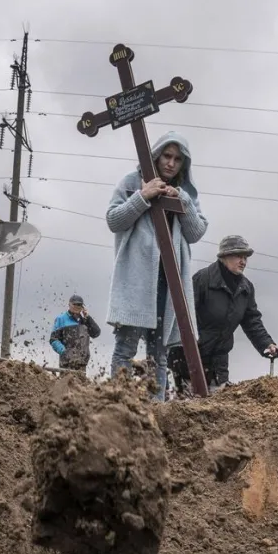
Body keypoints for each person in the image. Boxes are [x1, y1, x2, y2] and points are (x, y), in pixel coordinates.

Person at [105, 132, 207, 400]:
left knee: (159, 355)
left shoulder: (187, 194)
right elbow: (114, 220)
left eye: (177, 159)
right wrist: (142, 196)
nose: (171, 163)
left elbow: (196, 233)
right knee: (125, 349)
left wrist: (181, 201)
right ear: (156, 155)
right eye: (166, 156)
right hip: (137, 279)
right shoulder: (131, 182)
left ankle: (155, 411)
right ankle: (118, 403)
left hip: (168, 282)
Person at [169, 235, 278, 394]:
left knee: (215, 412)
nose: (243, 261)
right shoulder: (202, 280)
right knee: (188, 410)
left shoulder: (246, 288)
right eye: (238, 256)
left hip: (218, 365)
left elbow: (252, 321)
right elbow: (182, 317)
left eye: (245, 257)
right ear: (224, 256)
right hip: (189, 361)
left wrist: (267, 344)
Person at [49, 294, 101, 373]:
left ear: (83, 307)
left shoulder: (85, 320)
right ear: (69, 304)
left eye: (79, 305)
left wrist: (88, 317)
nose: (77, 306)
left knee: (81, 385)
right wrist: (64, 352)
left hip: (82, 364)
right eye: (75, 304)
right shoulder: (61, 319)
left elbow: (96, 333)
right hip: (66, 363)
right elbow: (53, 339)